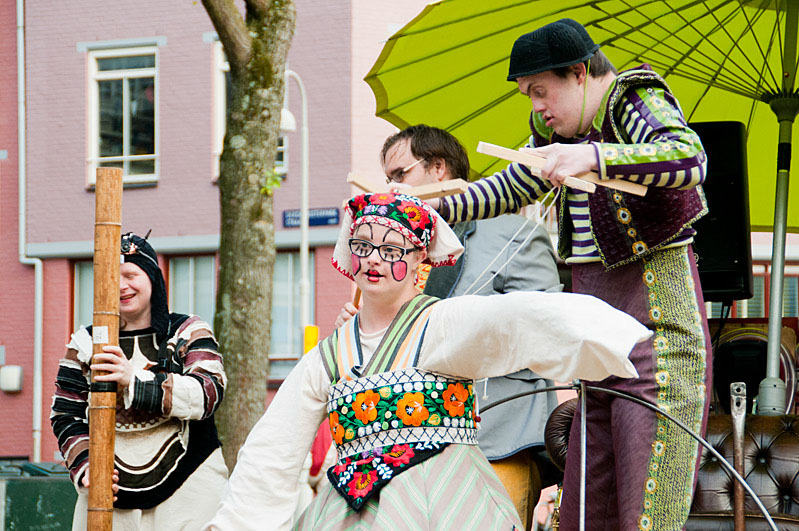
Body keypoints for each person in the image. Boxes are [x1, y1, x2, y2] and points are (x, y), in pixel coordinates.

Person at [206, 192, 652, 530]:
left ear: (421, 256)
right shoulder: (328, 356)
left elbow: (514, 320)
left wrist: (610, 335)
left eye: (393, 248)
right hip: (352, 508)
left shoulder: (440, 323)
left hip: (449, 502)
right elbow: (273, 450)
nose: (375, 259)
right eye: (363, 246)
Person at [431, 18, 712, 531]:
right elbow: (508, 186)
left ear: (579, 73)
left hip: (657, 350)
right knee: (586, 515)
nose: (535, 106)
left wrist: (590, 154)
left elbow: (689, 157)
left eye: (540, 90)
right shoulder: (558, 134)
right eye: (527, 95)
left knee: (644, 516)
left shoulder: (633, 96)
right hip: (596, 355)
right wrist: (427, 210)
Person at [336, 124, 563, 528]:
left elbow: (548, 330)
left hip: (495, 438)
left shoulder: (511, 232)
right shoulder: (399, 249)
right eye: (387, 178)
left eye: (399, 174)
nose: (391, 187)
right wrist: (361, 332)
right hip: (408, 446)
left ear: (439, 167)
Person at [51, 232, 228, 530]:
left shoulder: (187, 330)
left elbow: (208, 392)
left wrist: (134, 381)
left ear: (152, 278)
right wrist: (86, 467)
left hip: (189, 488)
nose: (121, 285)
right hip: (109, 496)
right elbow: (65, 415)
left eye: (131, 274)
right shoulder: (85, 343)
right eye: (111, 276)